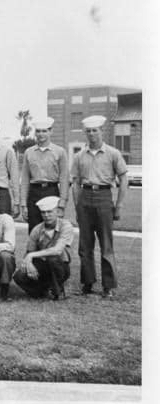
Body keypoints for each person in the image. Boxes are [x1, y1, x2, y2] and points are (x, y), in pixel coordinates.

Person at [71, 115, 128, 298]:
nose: (92, 134)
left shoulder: (113, 153)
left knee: (106, 244)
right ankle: (87, 283)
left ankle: (108, 286)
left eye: (95, 130)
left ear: (101, 131)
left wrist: (118, 205)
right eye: (88, 131)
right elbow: (76, 182)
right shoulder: (79, 156)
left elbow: (123, 178)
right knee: (85, 245)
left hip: (104, 197)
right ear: (85, 133)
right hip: (85, 198)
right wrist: (77, 206)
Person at [13, 196, 72, 300]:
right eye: (43, 213)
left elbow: (57, 250)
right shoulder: (37, 229)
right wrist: (28, 263)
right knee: (19, 276)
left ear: (57, 211)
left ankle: (58, 291)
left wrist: (32, 255)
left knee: (52, 259)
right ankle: (41, 291)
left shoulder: (65, 226)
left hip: (60, 265)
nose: (46, 215)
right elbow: (29, 251)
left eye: (50, 212)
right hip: (43, 265)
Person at [20, 117, 69, 233]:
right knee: (34, 231)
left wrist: (62, 203)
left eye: (44, 131)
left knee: (52, 231)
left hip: (51, 191)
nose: (41, 134)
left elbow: (64, 179)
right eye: (38, 131)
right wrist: (23, 204)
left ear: (51, 131)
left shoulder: (60, 152)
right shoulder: (29, 152)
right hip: (34, 193)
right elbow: (25, 179)